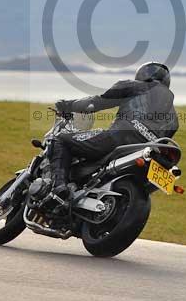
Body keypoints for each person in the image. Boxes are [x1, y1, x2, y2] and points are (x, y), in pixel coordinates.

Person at [50, 61, 179, 201]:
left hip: (119, 138)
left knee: (61, 140)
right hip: (143, 152)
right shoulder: (174, 119)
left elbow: (95, 103)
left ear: (143, 75)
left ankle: (59, 187)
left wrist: (67, 105)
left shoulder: (135, 86)